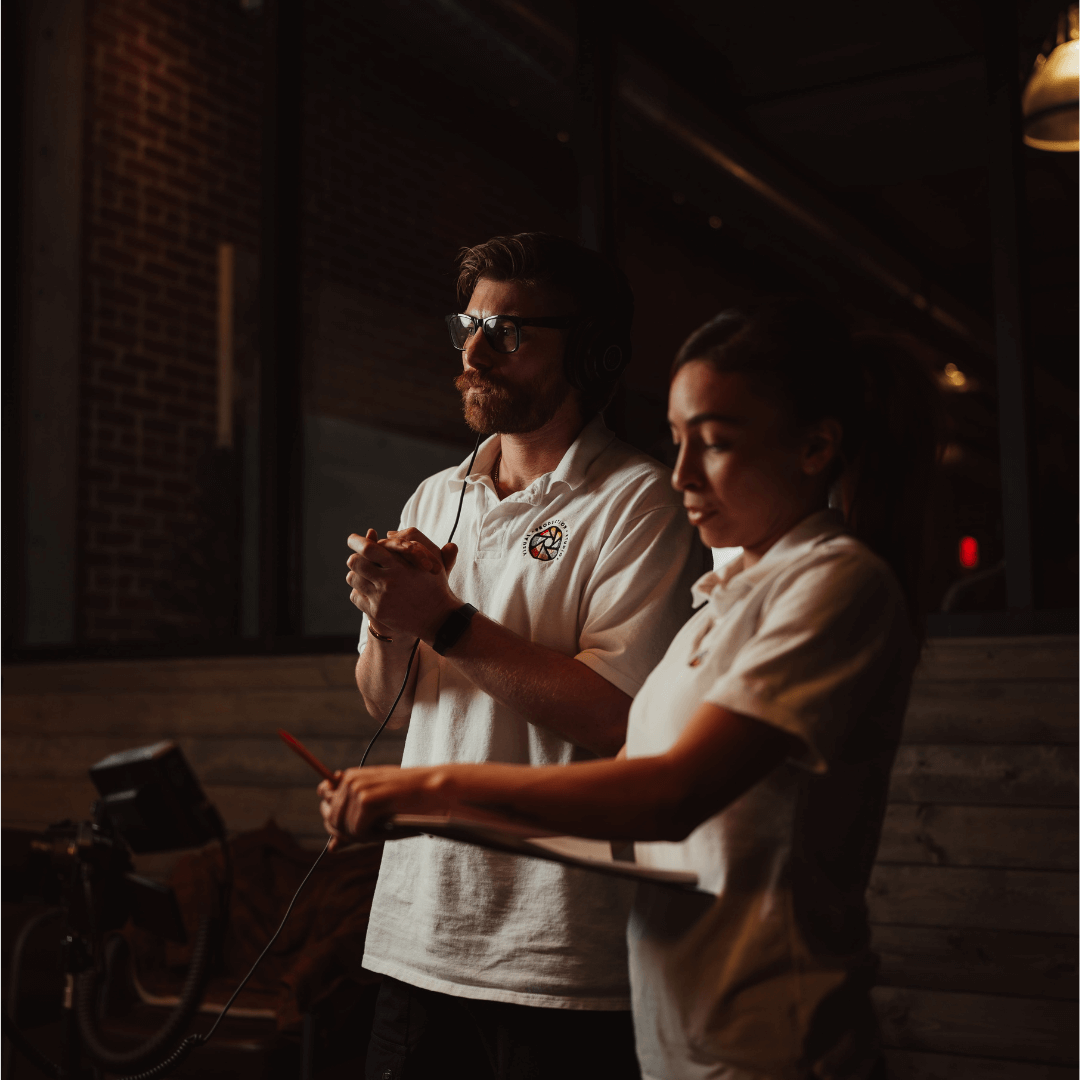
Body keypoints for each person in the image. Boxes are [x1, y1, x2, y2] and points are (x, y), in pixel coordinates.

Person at [321, 300, 940, 1080]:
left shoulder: (837, 584)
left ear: (816, 446)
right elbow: (645, 837)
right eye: (678, 441)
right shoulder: (726, 595)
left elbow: (668, 796)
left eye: (713, 444)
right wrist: (439, 814)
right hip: (679, 1037)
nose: (681, 474)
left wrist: (432, 788)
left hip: (778, 1041)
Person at [339, 233, 701, 1079]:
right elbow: (376, 698)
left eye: (508, 333)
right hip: (415, 936)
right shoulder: (434, 494)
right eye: (467, 325)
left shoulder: (638, 502)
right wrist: (390, 622)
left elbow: (620, 718)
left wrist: (449, 621)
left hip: (560, 957)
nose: (472, 352)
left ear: (593, 351)